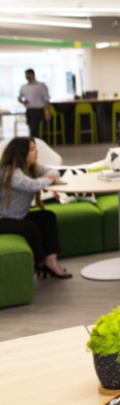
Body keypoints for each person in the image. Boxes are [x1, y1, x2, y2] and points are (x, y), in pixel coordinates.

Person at [0, 137, 70, 279]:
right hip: (3, 219)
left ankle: (51, 262)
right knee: (30, 228)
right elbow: (33, 185)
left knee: (48, 217)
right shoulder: (9, 172)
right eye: (32, 149)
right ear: (20, 153)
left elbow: (53, 171)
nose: (36, 151)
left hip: (18, 216)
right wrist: (48, 178)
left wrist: (47, 176)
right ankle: (40, 263)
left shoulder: (31, 167)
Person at [17, 69, 51, 140]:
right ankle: (33, 141)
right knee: (31, 127)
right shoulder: (24, 87)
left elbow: (46, 99)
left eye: (26, 75)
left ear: (31, 74)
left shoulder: (41, 85)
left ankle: (34, 142)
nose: (25, 76)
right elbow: (19, 98)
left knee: (35, 128)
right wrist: (23, 101)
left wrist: (47, 112)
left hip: (38, 110)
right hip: (29, 110)